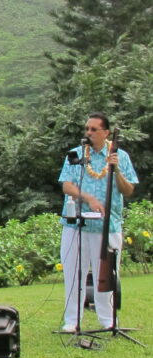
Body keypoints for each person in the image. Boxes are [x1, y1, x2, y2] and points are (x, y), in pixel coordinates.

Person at [58, 113, 138, 333]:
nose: (89, 133)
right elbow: (67, 185)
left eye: (94, 129)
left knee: (106, 274)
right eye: (87, 129)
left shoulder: (119, 156)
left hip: (107, 225)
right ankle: (72, 320)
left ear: (106, 133)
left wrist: (116, 169)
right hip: (76, 225)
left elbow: (129, 190)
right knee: (74, 274)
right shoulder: (75, 154)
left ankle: (107, 320)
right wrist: (89, 198)